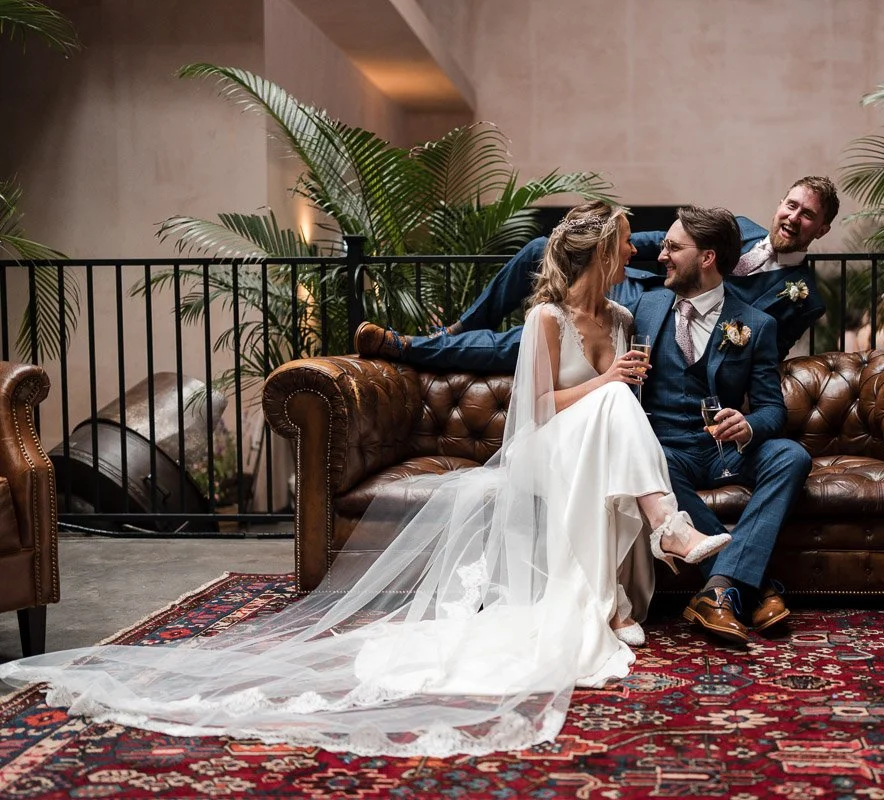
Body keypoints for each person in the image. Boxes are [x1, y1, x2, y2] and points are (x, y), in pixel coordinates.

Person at [0, 201, 732, 758]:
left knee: (615, 404)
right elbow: (537, 413)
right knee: (609, 398)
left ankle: (638, 556)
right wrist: (607, 380)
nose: (633, 257)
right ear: (596, 258)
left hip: (595, 442)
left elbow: (620, 409)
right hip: (548, 444)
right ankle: (669, 526)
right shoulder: (544, 319)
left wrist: (616, 386)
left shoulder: (627, 316)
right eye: (620, 249)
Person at [356, 176, 839, 371]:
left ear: (821, 229)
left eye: (808, 215)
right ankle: (462, 327)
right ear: (780, 204)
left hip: (671, 329)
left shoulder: (803, 298)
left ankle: (412, 349)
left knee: (547, 335)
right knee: (538, 248)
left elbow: (760, 349)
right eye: (791, 205)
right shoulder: (740, 227)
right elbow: (657, 245)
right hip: (648, 291)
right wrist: (611, 248)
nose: (793, 218)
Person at [629, 205, 812, 644]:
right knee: (646, 465)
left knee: (791, 455)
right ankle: (750, 588)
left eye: (674, 247)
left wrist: (747, 425)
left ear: (707, 257)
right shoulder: (644, 308)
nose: (661, 256)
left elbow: (773, 409)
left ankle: (719, 590)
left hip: (724, 448)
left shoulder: (755, 324)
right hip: (666, 448)